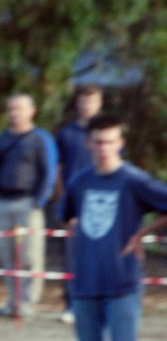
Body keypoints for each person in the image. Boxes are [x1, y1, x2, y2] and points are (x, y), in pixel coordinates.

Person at [50, 113, 167, 341]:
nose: (103, 149)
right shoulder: (81, 181)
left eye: (110, 141)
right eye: (97, 142)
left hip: (122, 285)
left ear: (121, 143)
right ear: (89, 144)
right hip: (85, 285)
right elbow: (67, 216)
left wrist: (141, 234)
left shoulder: (133, 180)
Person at [0, 92, 56, 317]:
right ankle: (12, 302)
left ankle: (27, 303)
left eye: (20, 108)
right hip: (2, 205)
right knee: (7, 257)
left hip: (28, 204)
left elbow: (49, 171)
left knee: (30, 257)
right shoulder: (2, 139)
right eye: (12, 109)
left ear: (31, 110)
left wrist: (38, 201)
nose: (15, 113)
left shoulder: (40, 138)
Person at [55, 84, 104, 323]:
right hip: (75, 203)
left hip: (102, 203)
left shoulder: (106, 135)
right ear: (78, 104)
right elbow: (59, 170)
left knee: (102, 254)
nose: (87, 107)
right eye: (84, 101)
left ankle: (99, 303)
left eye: (92, 102)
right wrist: (65, 201)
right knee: (73, 256)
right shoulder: (67, 134)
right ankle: (72, 304)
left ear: (99, 104)